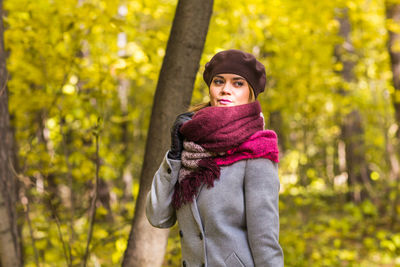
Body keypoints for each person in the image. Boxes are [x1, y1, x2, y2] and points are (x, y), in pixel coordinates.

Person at [146, 49, 284, 267]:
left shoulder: (257, 151)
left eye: (237, 83)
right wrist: (174, 156)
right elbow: (158, 217)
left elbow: (265, 241)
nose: (225, 90)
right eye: (218, 82)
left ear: (250, 93)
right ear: (210, 88)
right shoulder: (191, 145)